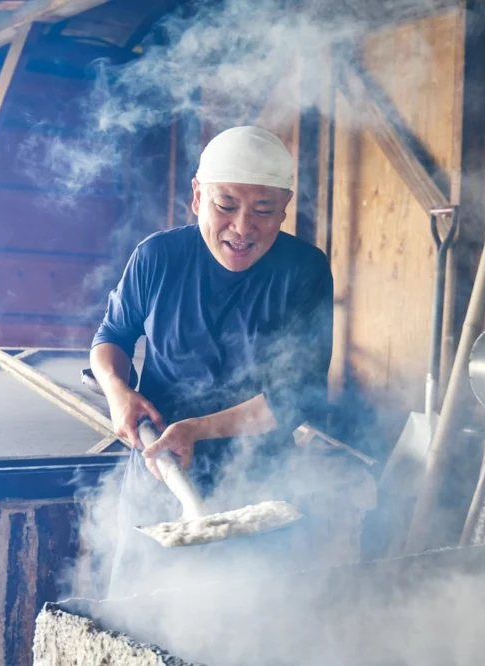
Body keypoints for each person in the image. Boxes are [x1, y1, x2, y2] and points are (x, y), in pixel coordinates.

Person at [89, 125, 334, 595]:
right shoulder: (158, 258)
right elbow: (111, 338)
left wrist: (198, 429)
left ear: (284, 208)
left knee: (243, 625)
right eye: (226, 205)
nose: (243, 228)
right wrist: (118, 393)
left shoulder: (303, 271)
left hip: (259, 483)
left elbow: (296, 398)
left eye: (264, 210)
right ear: (198, 197)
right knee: (136, 614)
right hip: (158, 471)